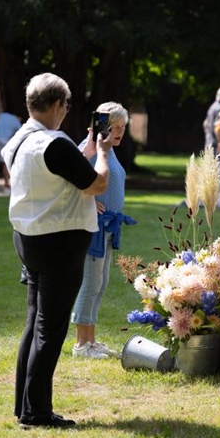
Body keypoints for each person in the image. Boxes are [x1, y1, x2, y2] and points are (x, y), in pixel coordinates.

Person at [1, 72, 112, 429]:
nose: (67, 110)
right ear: (54, 104)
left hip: (29, 237)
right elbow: (97, 184)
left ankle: (24, 406)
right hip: (58, 242)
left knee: (35, 323)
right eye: (65, 104)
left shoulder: (18, 138)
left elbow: (48, 180)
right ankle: (38, 412)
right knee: (50, 329)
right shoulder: (54, 143)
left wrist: (87, 152)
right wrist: (104, 154)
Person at [71, 102, 136, 360]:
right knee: (91, 282)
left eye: (122, 127)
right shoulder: (88, 149)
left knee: (102, 282)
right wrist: (86, 199)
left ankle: (91, 340)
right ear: (102, 127)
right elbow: (69, 179)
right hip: (92, 227)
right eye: (114, 127)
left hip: (109, 227)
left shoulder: (109, 150)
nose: (119, 131)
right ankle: (80, 345)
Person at [0, 112, 23, 191]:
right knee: (5, 163)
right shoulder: (17, 122)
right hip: (4, 140)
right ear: (19, 118)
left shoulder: (1, 115)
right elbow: (20, 135)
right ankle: (6, 185)